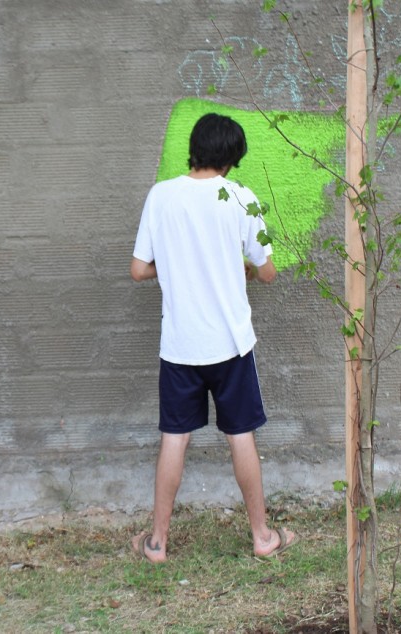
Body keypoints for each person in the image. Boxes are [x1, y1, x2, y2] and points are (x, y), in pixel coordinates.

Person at [129, 113, 296, 563]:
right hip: (230, 345)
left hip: (181, 346)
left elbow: (139, 269)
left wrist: (178, 265)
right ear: (230, 159)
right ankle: (262, 537)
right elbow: (267, 272)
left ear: (195, 148)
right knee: (241, 435)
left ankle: (158, 543)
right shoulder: (242, 198)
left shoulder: (161, 196)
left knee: (174, 438)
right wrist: (236, 266)